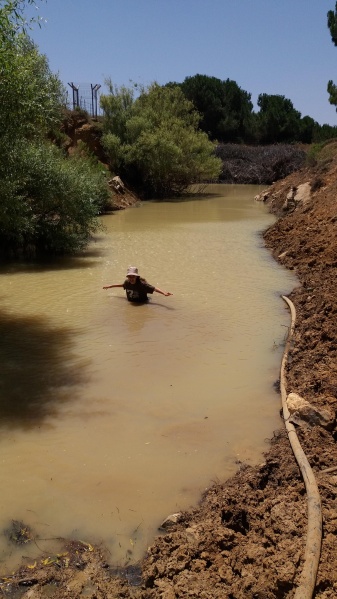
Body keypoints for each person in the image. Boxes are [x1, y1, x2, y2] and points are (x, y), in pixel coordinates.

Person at [103, 266, 173, 303]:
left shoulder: (142, 284)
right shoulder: (127, 282)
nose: (131, 278)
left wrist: (164, 293)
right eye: (129, 276)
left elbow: (154, 289)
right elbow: (121, 285)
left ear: (136, 277)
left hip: (142, 303)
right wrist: (110, 286)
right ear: (127, 277)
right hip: (131, 302)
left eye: (133, 276)